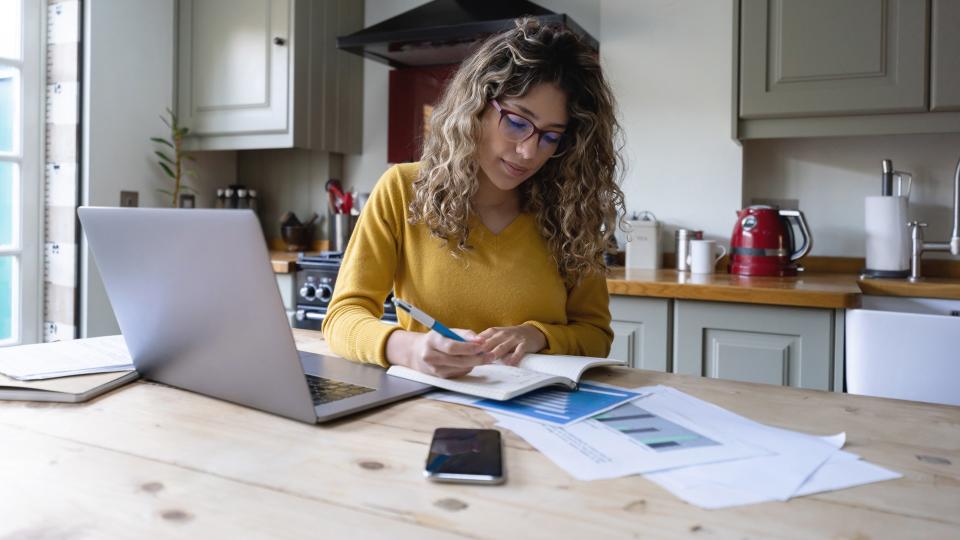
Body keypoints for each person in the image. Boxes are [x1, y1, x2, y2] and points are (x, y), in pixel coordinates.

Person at [322, 18, 625, 378]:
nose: (529, 151)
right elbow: (342, 317)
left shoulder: (571, 211)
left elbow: (595, 334)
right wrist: (408, 348)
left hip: (540, 411)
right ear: (476, 108)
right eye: (516, 121)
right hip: (423, 408)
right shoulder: (402, 189)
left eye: (550, 137)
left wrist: (537, 336)